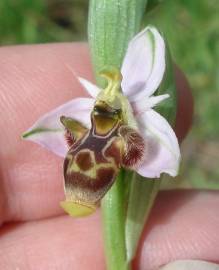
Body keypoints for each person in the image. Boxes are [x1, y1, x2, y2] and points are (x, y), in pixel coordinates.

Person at [0, 43, 218, 270]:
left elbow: (167, 156)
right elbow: (46, 130)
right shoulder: (91, 112)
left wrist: (167, 161)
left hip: (127, 124)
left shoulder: (143, 119)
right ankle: (81, 196)